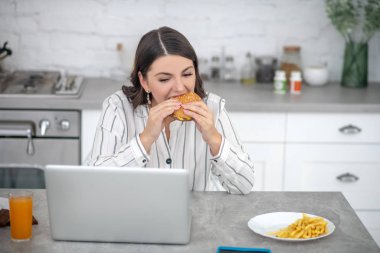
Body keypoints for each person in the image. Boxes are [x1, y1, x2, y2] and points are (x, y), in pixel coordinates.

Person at [86, 26, 254, 194]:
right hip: (134, 217)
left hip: (195, 217)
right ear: (144, 81)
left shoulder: (213, 108)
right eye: (165, 79)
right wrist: (146, 138)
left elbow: (244, 185)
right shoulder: (118, 108)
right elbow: (95, 183)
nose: (180, 88)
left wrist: (214, 138)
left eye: (187, 74)